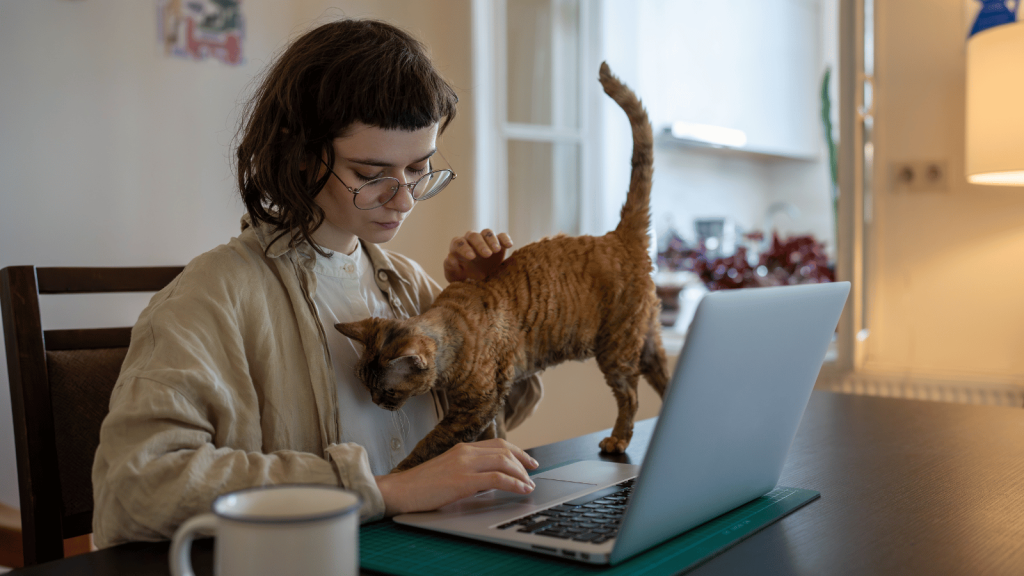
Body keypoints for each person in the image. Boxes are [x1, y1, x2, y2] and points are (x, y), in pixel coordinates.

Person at [91, 18, 543, 548]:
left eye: (419, 169)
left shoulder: (410, 287)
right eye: (371, 174)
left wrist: (491, 312)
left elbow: (495, 415)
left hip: (424, 549)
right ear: (302, 156)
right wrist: (384, 490)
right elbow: (137, 487)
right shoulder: (211, 296)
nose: (403, 199)